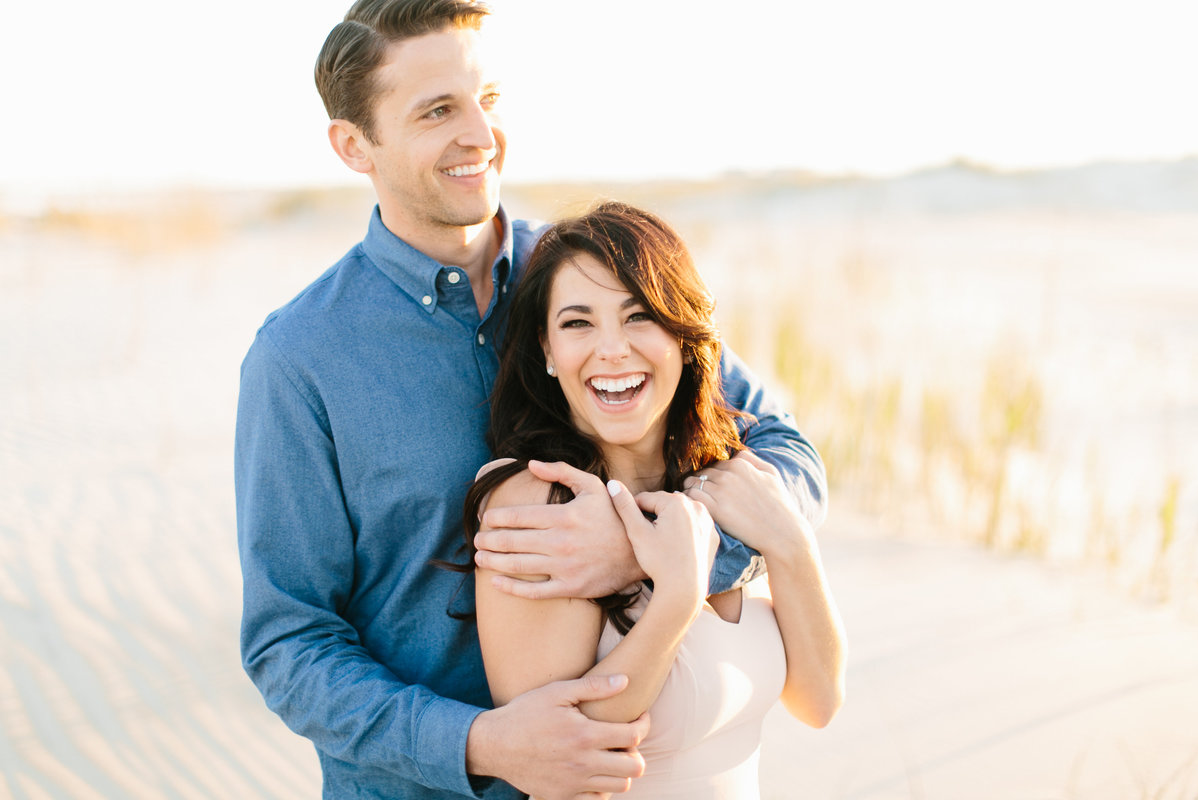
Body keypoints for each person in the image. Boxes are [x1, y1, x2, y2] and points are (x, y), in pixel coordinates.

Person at [234, 1, 827, 798]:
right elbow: (289, 640)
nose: (481, 134)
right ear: (354, 145)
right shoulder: (300, 358)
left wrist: (647, 550)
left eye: (491, 99)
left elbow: (786, 452)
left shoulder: (588, 277)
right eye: (438, 109)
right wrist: (475, 743)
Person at [463, 201, 846, 799]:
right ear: (546, 350)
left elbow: (818, 700)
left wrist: (791, 543)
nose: (612, 349)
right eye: (577, 323)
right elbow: (560, 765)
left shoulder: (726, 480)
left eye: (638, 316)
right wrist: (676, 598)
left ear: (682, 334)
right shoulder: (542, 501)